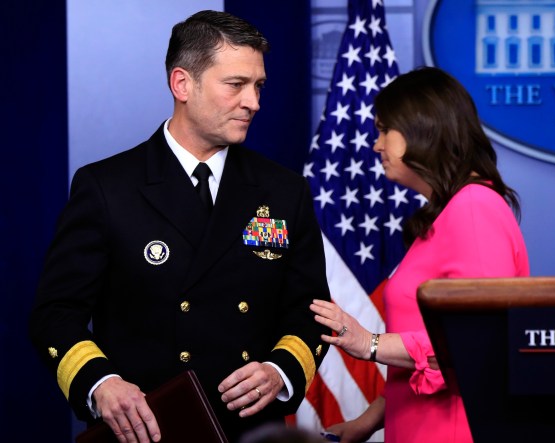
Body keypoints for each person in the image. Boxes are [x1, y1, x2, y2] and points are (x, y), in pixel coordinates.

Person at [28, 10, 331, 443]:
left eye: (258, 86)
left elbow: (310, 308)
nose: (254, 102)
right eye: (236, 85)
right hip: (146, 429)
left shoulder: (284, 190)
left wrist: (278, 371)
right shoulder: (107, 187)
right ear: (182, 84)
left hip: (250, 429)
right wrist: (101, 383)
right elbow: (56, 314)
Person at [310, 66, 531, 443]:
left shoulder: (474, 208)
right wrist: (368, 420)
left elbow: (479, 342)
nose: (376, 144)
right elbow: (428, 360)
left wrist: (371, 343)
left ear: (422, 128)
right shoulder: (449, 213)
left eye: (383, 130)